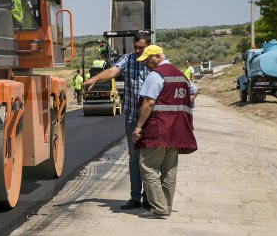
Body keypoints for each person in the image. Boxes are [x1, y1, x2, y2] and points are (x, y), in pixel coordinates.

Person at [82, 31, 151, 210]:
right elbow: (113, 71)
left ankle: (149, 197)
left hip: (151, 118)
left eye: (141, 48)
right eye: (135, 47)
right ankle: (135, 197)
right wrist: (94, 79)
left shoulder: (154, 61)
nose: (137, 51)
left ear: (148, 47)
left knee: (149, 158)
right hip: (131, 117)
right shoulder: (128, 59)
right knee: (134, 158)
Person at [131, 45, 198, 218]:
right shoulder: (180, 74)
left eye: (147, 59)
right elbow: (194, 91)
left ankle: (159, 207)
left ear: (157, 57)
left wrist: (138, 127)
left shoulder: (156, 76)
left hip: (158, 129)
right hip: (176, 130)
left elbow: (148, 103)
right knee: (169, 170)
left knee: (147, 167)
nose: (145, 63)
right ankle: (166, 207)